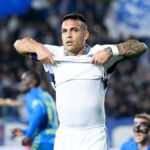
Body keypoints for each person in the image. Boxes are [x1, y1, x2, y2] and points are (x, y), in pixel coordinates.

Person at [13, 12, 147, 150]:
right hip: (65, 135)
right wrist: (37, 47)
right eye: (64, 31)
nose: (68, 35)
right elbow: (18, 44)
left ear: (85, 35)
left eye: (74, 30)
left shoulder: (99, 53)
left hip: (94, 136)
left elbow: (140, 47)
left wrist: (111, 51)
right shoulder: (53, 54)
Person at [11, 70, 58, 150]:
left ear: (33, 82)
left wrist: (28, 135)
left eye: (24, 80)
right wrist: (24, 132)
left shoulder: (31, 95)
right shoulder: (47, 96)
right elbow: (46, 122)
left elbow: (39, 113)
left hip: (42, 141)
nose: (22, 83)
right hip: (55, 141)